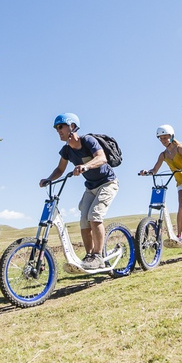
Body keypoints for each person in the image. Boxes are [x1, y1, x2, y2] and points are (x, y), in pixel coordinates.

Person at [39, 113, 119, 271]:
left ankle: (98, 256)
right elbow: (60, 169)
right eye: (56, 128)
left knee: (94, 216)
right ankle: (90, 256)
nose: (58, 130)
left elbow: (102, 158)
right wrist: (49, 179)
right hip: (91, 186)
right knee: (84, 219)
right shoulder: (66, 150)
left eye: (60, 126)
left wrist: (86, 166)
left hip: (108, 183)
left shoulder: (88, 140)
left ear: (72, 126)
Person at [139, 124, 182, 246]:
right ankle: (179, 236)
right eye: (161, 138)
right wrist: (147, 172)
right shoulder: (163, 155)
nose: (163, 141)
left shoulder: (180, 148)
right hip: (181, 183)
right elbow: (155, 169)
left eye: (165, 137)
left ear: (172, 136)